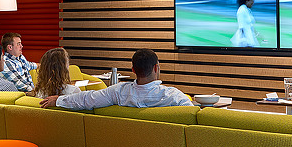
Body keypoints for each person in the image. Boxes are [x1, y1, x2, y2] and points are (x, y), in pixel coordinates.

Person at [40, 49, 193, 110]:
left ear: (133, 70)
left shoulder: (118, 92)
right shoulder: (174, 96)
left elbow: (88, 99)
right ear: (156, 68)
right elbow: (192, 114)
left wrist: (59, 101)